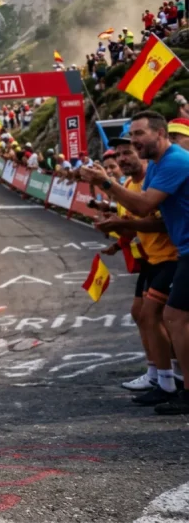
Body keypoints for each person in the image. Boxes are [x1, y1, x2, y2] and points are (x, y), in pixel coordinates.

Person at [79, 111, 189, 415]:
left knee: (171, 317)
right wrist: (118, 223)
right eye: (131, 135)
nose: (134, 141)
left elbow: (143, 206)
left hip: (174, 255)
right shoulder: (156, 167)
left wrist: (104, 182)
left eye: (138, 135)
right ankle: (168, 380)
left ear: (161, 134)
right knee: (165, 316)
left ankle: (175, 382)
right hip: (179, 251)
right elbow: (153, 219)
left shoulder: (176, 161)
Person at [95, 137, 179, 404]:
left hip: (171, 257)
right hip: (151, 259)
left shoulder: (149, 184)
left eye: (126, 154)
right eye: (116, 157)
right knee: (141, 314)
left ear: (142, 155)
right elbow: (133, 226)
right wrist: (117, 235)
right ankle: (158, 372)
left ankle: (168, 378)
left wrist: (118, 221)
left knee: (156, 315)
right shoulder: (129, 186)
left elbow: (157, 221)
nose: (120, 161)